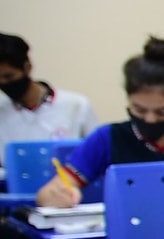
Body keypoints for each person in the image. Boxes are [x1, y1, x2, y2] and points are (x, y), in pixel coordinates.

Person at [35, 36, 164, 208]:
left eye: (162, 112)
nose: (149, 119)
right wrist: (56, 196)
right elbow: (46, 194)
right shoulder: (107, 138)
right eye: (139, 109)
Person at [0, 32, 99, 161]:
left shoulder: (76, 105)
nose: (4, 83)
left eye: (9, 76)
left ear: (27, 67)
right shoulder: (2, 111)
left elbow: (97, 154)